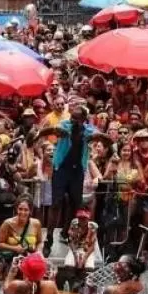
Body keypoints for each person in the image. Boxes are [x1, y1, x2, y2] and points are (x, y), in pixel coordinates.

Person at [45, 101, 98, 257]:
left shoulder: (88, 131)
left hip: (77, 172)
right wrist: (56, 132)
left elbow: (98, 136)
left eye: (76, 118)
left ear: (83, 119)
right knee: (56, 203)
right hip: (61, 169)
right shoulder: (64, 125)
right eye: (72, 117)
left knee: (75, 203)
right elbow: (57, 130)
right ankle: (48, 239)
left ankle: (65, 232)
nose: (73, 121)